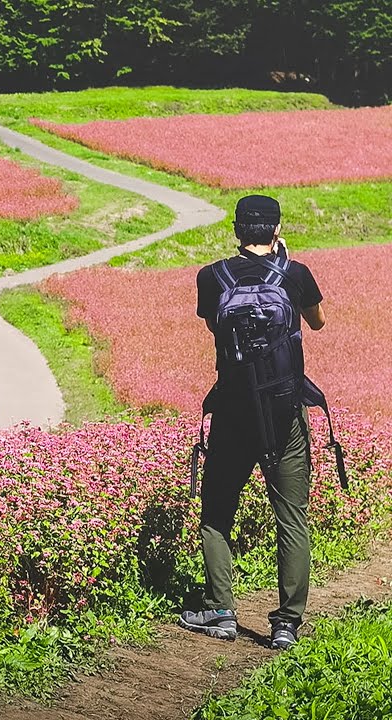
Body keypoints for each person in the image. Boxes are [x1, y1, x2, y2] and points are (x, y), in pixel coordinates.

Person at [179, 195, 326, 650]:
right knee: (292, 518)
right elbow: (317, 323)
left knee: (217, 513)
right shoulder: (296, 274)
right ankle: (286, 622)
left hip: (233, 414)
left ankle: (220, 611)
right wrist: (283, 263)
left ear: (237, 230)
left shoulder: (212, 277)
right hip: (284, 414)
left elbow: (215, 329)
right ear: (276, 228)